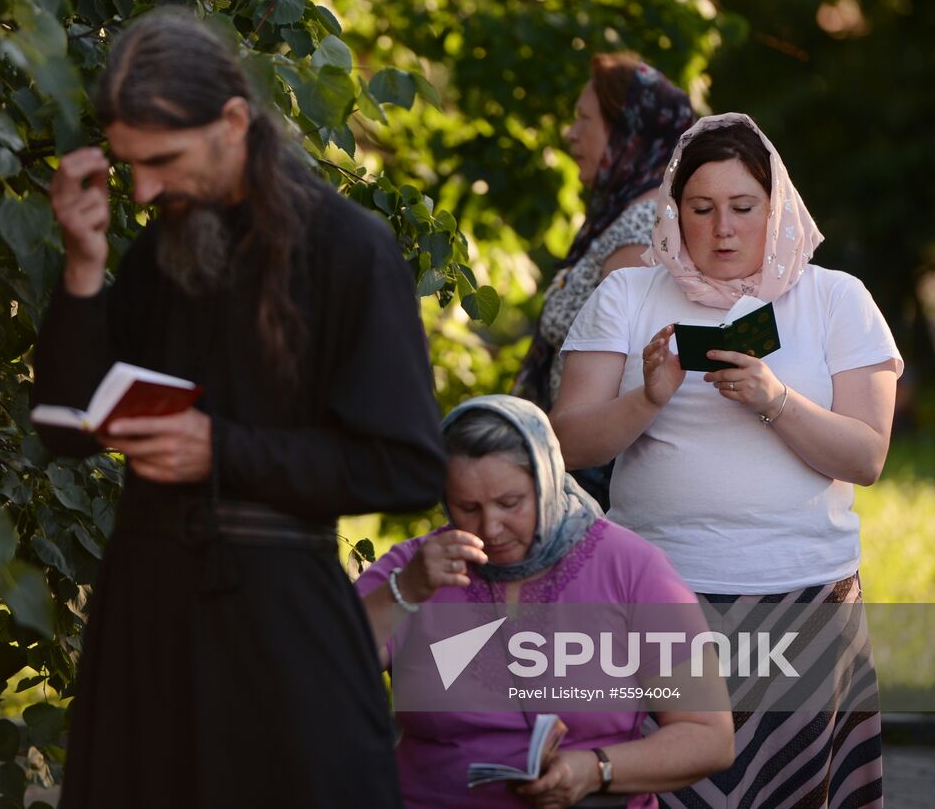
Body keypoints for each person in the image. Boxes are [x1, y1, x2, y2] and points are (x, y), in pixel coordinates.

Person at [31, 8, 447, 808]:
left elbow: (406, 467)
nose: (144, 190)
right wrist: (84, 269)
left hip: (279, 629)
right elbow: (64, 430)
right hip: (145, 620)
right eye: (129, 168)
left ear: (231, 122)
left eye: (162, 161)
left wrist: (224, 450)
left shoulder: (348, 249)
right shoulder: (163, 249)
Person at [552, 114, 902, 808]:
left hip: (803, 595)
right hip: (659, 594)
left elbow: (867, 456)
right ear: (673, 212)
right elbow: (565, 443)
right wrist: (648, 399)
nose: (722, 229)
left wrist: (775, 400)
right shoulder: (627, 295)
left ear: (777, 208)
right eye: (701, 209)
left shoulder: (835, 299)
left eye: (743, 208)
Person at [357, 394, 733, 808]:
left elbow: (708, 736)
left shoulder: (630, 567)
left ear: (548, 480)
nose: (490, 527)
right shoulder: (417, 568)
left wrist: (597, 769)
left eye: (509, 503)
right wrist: (404, 593)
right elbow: (319, 669)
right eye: (468, 507)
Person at [512, 54, 696, 507]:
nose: (571, 134)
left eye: (584, 120)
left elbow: (621, 375)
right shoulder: (622, 217)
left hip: (595, 489)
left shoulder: (640, 231)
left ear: (629, 133)